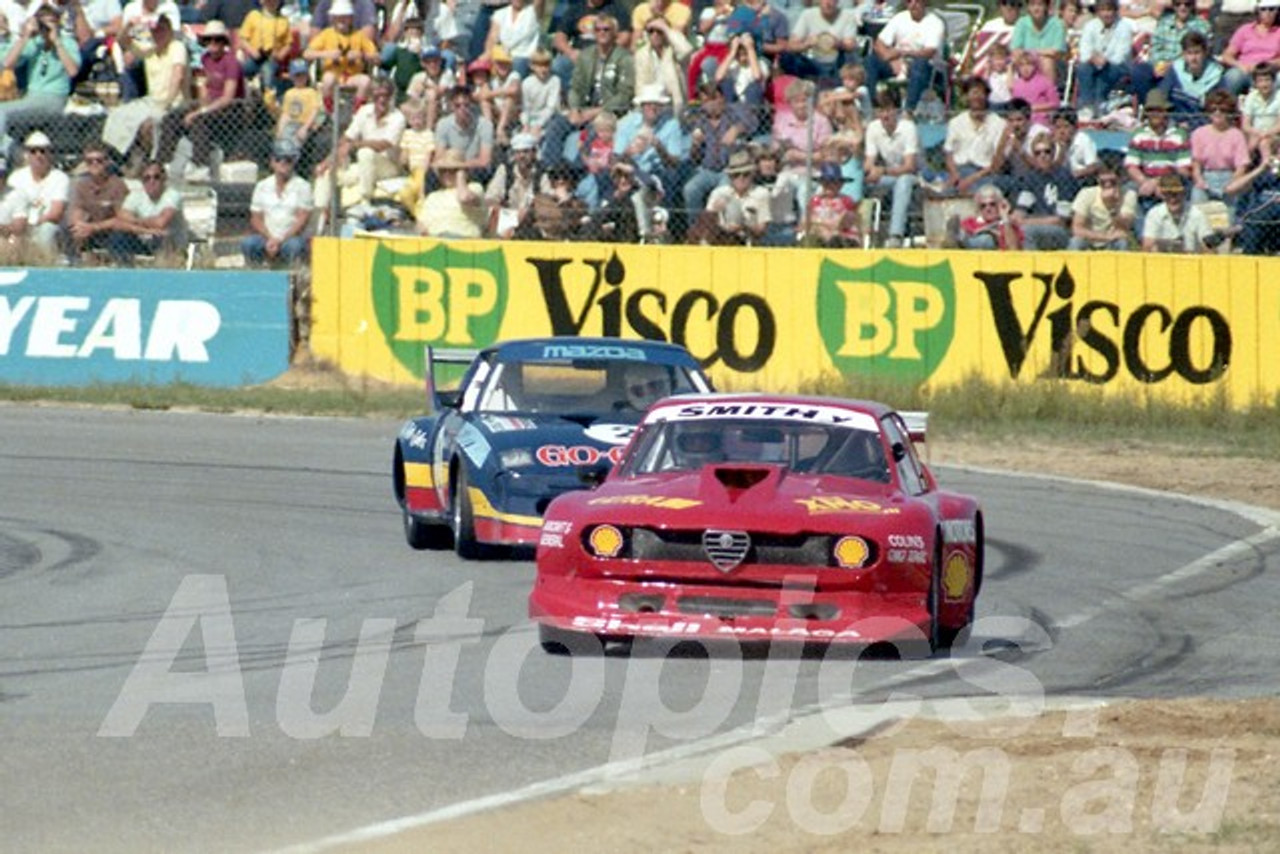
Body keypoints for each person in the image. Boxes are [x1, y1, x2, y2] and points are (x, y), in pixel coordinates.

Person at [541, 14, 635, 168]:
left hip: (610, 114)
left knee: (593, 132)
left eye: (606, 29)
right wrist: (574, 109)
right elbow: (576, 86)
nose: (602, 33)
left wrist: (595, 112)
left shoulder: (625, 59)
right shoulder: (587, 56)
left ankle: (575, 173)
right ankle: (552, 170)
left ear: (615, 34)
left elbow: (624, 96)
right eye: (598, 30)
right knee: (556, 125)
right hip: (584, 110)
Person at [157, 19, 244, 183]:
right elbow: (205, 87)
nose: (213, 43)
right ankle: (164, 163)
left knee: (199, 120)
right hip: (210, 104)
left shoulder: (231, 62)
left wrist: (200, 111)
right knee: (171, 118)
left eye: (217, 40)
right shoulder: (206, 59)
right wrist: (199, 106)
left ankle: (200, 166)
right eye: (209, 39)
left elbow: (228, 97)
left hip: (230, 110)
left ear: (223, 42)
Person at [101, 12, 185, 164]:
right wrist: (128, 25)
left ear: (169, 30)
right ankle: (116, 157)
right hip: (152, 101)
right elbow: (121, 42)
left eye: (162, 29)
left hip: (173, 102)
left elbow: (177, 77)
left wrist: (167, 103)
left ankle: (150, 162)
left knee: (149, 124)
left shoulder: (177, 47)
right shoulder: (150, 49)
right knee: (117, 114)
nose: (158, 33)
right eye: (155, 30)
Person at [314, 77, 405, 214]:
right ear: (371, 96)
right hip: (365, 166)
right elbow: (346, 138)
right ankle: (320, 212)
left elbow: (383, 144)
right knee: (327, 170)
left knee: (365, 153)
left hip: (388, 166)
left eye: (385, 95)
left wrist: (353, 145)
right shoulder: (364, 111)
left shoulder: (398, 117)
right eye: (377, 95)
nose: (381, 99)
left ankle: (364, 201)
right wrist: (327, 161)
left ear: (391, 96)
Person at [0, 3, 80, 144]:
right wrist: (25, 36)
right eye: (44, 22)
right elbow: (8, 63)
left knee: (2, 112)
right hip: (31, 97)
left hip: (53, 99)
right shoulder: (36, 43)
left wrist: (57, 42)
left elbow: (73, 71)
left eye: (51, 21)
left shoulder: (67, 43)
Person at [863, 0, 946, 113]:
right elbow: (879, 43)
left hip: (925, 67)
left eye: (917, 1)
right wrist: (889, 58)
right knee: (870, 61)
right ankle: (876, 108)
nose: (913, 4)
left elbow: (929, 51)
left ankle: (908, 111)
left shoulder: (935, 23)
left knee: (920, 64)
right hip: (896, 63)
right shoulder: (899, 18)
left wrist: (902, 54)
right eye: (909, 1)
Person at [242, 138, 312, 267]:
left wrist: (281, 239)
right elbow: (256, 218)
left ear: (294, 161)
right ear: (272, 162)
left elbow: (302, 219)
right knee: (249, 243)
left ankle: (291, 277)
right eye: (279, 158)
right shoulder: (262, 186)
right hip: (267, 236)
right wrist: (270, 238)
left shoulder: (303, 186)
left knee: (294, 246)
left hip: (291, 237)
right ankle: (255, 273)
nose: (283, 162)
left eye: (288, 159)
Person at [863, 89, 918, 249]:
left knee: (903, 181)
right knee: (861, 181)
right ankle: (860, 232)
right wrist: (868, 173)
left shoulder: (908, 128)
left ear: (897, 110)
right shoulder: (873, 128)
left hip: (914, 177)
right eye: (880, 110)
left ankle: (895, 235)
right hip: (889, 176)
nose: (884, 115)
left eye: (888, 110)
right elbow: (869, 161)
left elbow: (910, 166)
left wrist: (882, 171)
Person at [0, 130, 69, 256]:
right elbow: (11, 205)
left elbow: (55, 213)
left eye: (43, 151)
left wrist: (31, 224)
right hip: (19, 225)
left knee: (46, 230)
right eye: (33, 151)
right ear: (26, 154)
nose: (38, 155)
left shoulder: (60, 178)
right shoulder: (16, 177)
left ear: (50, 154)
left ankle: (45, 264)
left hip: (44, 225)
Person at [686, 148, 771, 245]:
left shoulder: (761, 194)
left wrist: (743, 226)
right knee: (705, 221)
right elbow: (705, 226)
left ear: (752, 174)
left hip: (748, 241)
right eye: (736, 175)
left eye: (746, 174)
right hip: (721, 238)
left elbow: (762, 230)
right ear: (730, 177)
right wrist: (714, 212)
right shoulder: (719, 193)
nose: (741, 178)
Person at [110, 157, 187, 261]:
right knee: (118, 236)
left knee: (161, 236)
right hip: (145, 240)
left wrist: (134, 221)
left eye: (156, 177)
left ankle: (164, 266)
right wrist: (146, 229)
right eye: (147, 178)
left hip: (170, 243)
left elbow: (161, 223)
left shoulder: (172, 195)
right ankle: (122, 268)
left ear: (164, 178)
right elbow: (121, 219)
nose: (152, 181)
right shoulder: (136, 195)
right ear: (142, 181)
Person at [304, 0, 378, 107]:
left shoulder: (359, 35)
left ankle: (357, 110)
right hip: (334, 75)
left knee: (365, 81)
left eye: (345, 17)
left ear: (351, 18)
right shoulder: (326, 34)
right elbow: (307, 54)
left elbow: (376, 57)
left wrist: (361, 55)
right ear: (333, 18)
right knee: (328, 79)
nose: (341, 21)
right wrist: (326, 54)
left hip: (352, 76)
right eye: (338, 17)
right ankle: (329, 109)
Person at [65, 141, 128, 263]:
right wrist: (79, 225)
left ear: (107, 162)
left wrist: (94, 227)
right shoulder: (82, 184)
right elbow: (76, 211)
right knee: (72, 231)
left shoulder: (117, 185)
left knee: (119, 235)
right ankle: (75, 264)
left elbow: (122, 219)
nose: (94, 164)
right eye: (90, 161)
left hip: (110, 231)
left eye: (99, 160)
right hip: (89, 230)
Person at [942, 77, 1007, 195]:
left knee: (979, 192)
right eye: (973, 93)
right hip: (959, 170)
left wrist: (972, 178)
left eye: (980, 93)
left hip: (983, 173)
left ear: (986, 96)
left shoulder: (999, 123)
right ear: (966, 97)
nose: (976, 97)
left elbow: (997, 162)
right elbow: (948, 153)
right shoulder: (956, 122)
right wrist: (955, 175)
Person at [1010, 134, 1073, 249]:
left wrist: (1026, 222)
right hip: (1037, 226)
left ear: (1053, 153)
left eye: (1046, 151)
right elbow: (1021, 210)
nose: (1042, 156)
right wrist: (1010, 219)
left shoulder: (1064, 177)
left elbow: (1061, 220)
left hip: (1061, 232)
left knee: (1027, 231)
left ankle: (1032, 267)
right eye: (1037, 153)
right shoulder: (1031, 178)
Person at [1073, 0, 1136, 114]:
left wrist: (1104, 59)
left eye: (1109, 10)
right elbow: (1084, 51)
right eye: (1102, 10)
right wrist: (1092, 58)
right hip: (1094, 64)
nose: (1106, 14)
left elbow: (1121, 55)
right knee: (1083, 68)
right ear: (1097, 12)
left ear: (1115, 11)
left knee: (1106, 71)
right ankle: (1086, 106)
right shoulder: (1090, 26)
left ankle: (1099, 104)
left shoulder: (1124, 27)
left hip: (1118, 68)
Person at [1190, 88, 1250, 202]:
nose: (1217, 112)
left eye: (1223, 109)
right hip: (1206, 177)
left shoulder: (1237, 135)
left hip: (1229, 177)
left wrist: (1232, 184)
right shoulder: (1198, 133)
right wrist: (1200, 181)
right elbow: (1196, 164)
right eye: (1213, 109)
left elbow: (1241, 166)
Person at [1068, 156, 1137, 249]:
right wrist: (1105, 237)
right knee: (1076, 242)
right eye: (1103, 182)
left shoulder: (1128, 195)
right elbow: (1077, 229)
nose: (1108, 185)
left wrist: (1112, 207)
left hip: (1113, 242)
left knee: (1122, 243)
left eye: (1112, 182)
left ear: (1120, 179)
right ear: (1097, 179)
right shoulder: (1086, 193)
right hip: (1090, 240)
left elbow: (1124, 229)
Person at [414, 149, 486, 238]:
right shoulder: (433, 197)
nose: (447, 174)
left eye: (453, 170)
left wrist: (461, 177)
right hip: (436, 239)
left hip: (465, 240)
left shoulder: (474, 188)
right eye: (443, 171)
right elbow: (421, 225)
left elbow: (464, 198)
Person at [1219, 0, 1280, 96]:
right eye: (1263, 9)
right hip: (1245, 70)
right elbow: (1227, 55)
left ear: (1277, 12)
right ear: (1258, 11)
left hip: (1269, 72)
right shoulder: (1245, 30)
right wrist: (1239, 65)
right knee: (1232, 76)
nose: (1267, 13)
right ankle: (1224, 107)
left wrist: (1264, 65)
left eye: (1271, 9)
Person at [1141, 171, 1212, 252]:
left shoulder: (1197, 214)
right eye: (1167, 194)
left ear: (1184, 193)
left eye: (1176, 194)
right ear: (1162, 195)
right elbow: (1147, 247)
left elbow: (1209, 247)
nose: (1172, 199)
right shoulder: (1154, 214)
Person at [236, 0, 291, 101]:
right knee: (239, 72)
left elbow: (288, 44)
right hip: (255, 57)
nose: (271, 3)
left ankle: (267, 104)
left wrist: (279, 55)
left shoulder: (283, 20)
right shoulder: (253, 16)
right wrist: (253, 51)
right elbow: (243, 39)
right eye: (268, 1)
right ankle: (241, 100)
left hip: (271, 59)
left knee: (267, 74)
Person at [803, 160, 861, 248]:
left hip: (842, 236)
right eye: (826, 182)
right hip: (820, 234)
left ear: (840, 185)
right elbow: (806, 222)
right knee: (813, 238)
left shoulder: (846, 201)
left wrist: (831, 227)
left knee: (836, 240)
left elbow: (847, 222)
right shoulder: (815, 201)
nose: (829, 186)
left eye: (833, 182)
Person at [1011, 0, 1066, 84]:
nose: (1036, 8)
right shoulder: (1021, 23)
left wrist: (1033, 52)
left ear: (1046, 7)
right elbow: (1016, 48)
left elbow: (1057, 51)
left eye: (1040, 5)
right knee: (1015, 60)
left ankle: (1048, 93)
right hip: (1026, 61)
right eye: (1032, 5)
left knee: (1046, 61)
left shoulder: (1057, 24)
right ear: (1028, 7)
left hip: (1054, 65)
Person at [955, 184, 1023, 249]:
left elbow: (1014, 250)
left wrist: (1005, 217)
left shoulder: (1009, 226)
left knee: (987, 239)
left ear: (1000, 204)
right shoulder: (970, 222)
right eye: (983, 206)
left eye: (992, 204)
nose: (988, 209)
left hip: (997, 258)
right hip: (971, 258)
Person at [1242, 62, 1280, 152]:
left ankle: (1265, 165)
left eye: (1267, 80)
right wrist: (1257, 133)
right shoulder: (1251, 97)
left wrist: (1267, 133)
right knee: (1251, 143)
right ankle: (1246, 164)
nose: (1264, 84)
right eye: (1260, 81)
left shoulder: (1278, 96)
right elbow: (1245, 124)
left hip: (1274, 134)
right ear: (1255, 83)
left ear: (1273, 81)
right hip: (1255, 133)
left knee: (1264, 143)